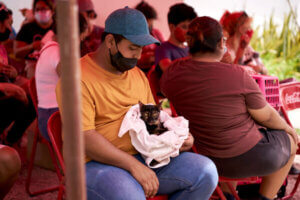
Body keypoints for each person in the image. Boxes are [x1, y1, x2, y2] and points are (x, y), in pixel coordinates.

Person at [56, 7, 218, 200]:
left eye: (141, 48)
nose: (138, 56)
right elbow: (85, 138)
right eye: (133, 48)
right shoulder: (76, 78)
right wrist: (133, 166)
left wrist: (175, 139)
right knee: (130, 196)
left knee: (206, 172)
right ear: (110, 42)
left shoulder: (137, 75)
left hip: (144, 155)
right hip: (94, 164)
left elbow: (152, 122)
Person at [160, 16, 297, 200]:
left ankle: (227, 195)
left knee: (230, 135)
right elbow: (266, 117)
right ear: (220, 43)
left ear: (189, 43)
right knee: (286, 138)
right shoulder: (237, 74)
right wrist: (289, 130)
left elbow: (172, 90)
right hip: (247, 157)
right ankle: (264, 198)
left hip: (204, 156)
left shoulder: (172, 73)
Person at [35, 13, 88, 141]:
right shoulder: (58, 53)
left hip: (49, 116)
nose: (80, 41)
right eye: (81, 37)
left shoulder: (50, 49)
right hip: (54, 120)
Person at [154, 3, 196, 78]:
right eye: (184, 27)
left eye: (190, 27)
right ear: (172, 27)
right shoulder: (162, 48)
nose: (189, 31)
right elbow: (168, 70)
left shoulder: (190, 49)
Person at [14, 0, 55, 78]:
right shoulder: (27, 28)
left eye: (43, 9)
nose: (40, 12)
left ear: (52, 11)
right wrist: (31, 46)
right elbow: (16, 53)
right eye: (37, 10)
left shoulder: (58, 26)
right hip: (34, 64)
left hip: (55, 62)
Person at [220, 11, 268, 75]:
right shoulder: (223, 49)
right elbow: (234, 72)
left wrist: (260, 68)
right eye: (247, 24)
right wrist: (242, 49)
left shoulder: (248, 49)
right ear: (239, 26)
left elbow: (266, 71)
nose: (250, 28)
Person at [135, 1, 164, 73]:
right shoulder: (131, 35)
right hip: (138, 71)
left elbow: (164, 49)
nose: (149, 24)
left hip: (156, 69)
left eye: (150, 20)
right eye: (146, 20)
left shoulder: (156, 33)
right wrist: (144, 59)